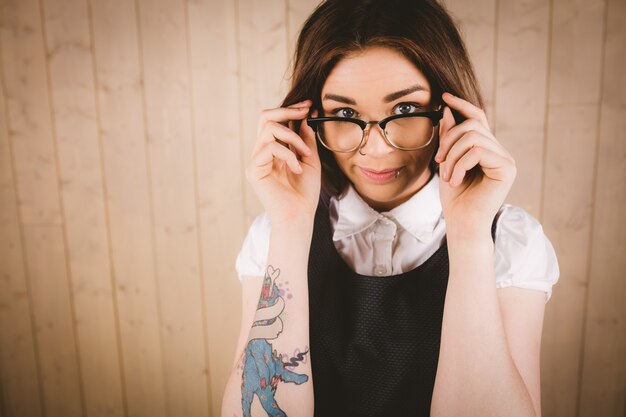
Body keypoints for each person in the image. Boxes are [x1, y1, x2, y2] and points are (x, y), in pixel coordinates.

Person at [221, 0, 559, 416]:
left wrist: (469, 235)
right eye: (345, 113)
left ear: (449, 110)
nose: (376, 148)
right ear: (309, 118)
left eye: (404, 110)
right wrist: (290, 226)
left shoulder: (509, 240)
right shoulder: (274, 234)